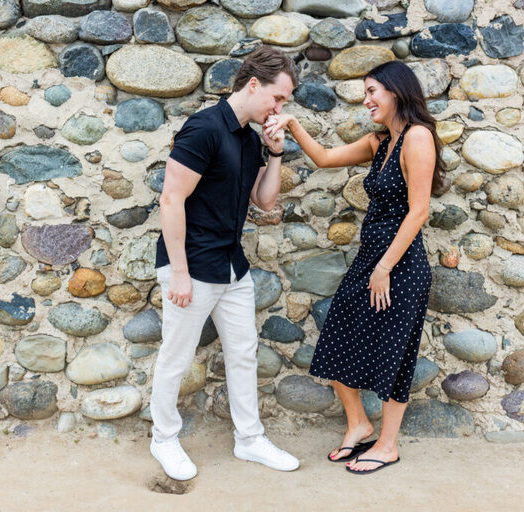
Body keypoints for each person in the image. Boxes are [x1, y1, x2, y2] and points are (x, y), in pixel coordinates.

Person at [265, 60, 441, 475]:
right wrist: (291, 125)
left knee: (394, 352)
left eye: (372, 92)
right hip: (370, 260)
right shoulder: (380, 142)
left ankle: (388, 444)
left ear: (397, 92)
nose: (367, 101)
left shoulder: (418, 138)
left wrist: (384, 269)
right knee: (337, 336)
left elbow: (418, 213)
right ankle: (359, 423)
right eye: (365, 93)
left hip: (401, 264)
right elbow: (325, 158)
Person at [149, 46, 301, 481]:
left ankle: (249, 440)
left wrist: (274, 153)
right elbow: (171, 198)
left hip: (233, 266)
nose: (279, 109)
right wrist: (178, 272)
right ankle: (164, 439)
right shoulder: (204, 128)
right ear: (254, 85)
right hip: (192, 265)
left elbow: (264, 201)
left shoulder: (250, 137)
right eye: (278, 98)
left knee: (243, 354)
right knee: (176, 357)